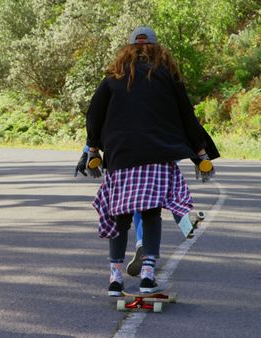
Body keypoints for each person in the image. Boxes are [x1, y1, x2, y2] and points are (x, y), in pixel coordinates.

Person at [74, 26, 218, 296]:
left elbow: (94, 114)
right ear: (157, 49)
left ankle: (115, 278)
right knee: (151, 213)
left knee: (119, 215)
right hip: (157, 154)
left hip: (121, 155)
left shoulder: (112, 78)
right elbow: (187, 115)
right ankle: (148, 275)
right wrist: (201, 154)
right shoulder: (167, 76)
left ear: (127, 49)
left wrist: (92, 149)